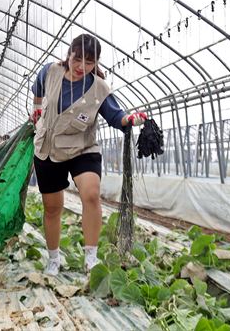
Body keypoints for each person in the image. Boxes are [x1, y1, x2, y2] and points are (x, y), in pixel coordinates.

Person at [30, 33, 147, 276]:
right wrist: (37, 108)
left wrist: (129, 120)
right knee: (52, 207)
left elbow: (116, 115)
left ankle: (91, 258)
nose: (82, 66)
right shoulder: (50, 72)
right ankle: (53, 259)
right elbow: (37, 89)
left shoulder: (98, 88)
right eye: (78, 59)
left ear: (96, 63)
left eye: (90, 62)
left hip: (83, 148)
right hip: (48, 149)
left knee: (91, 194)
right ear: (69, 54)